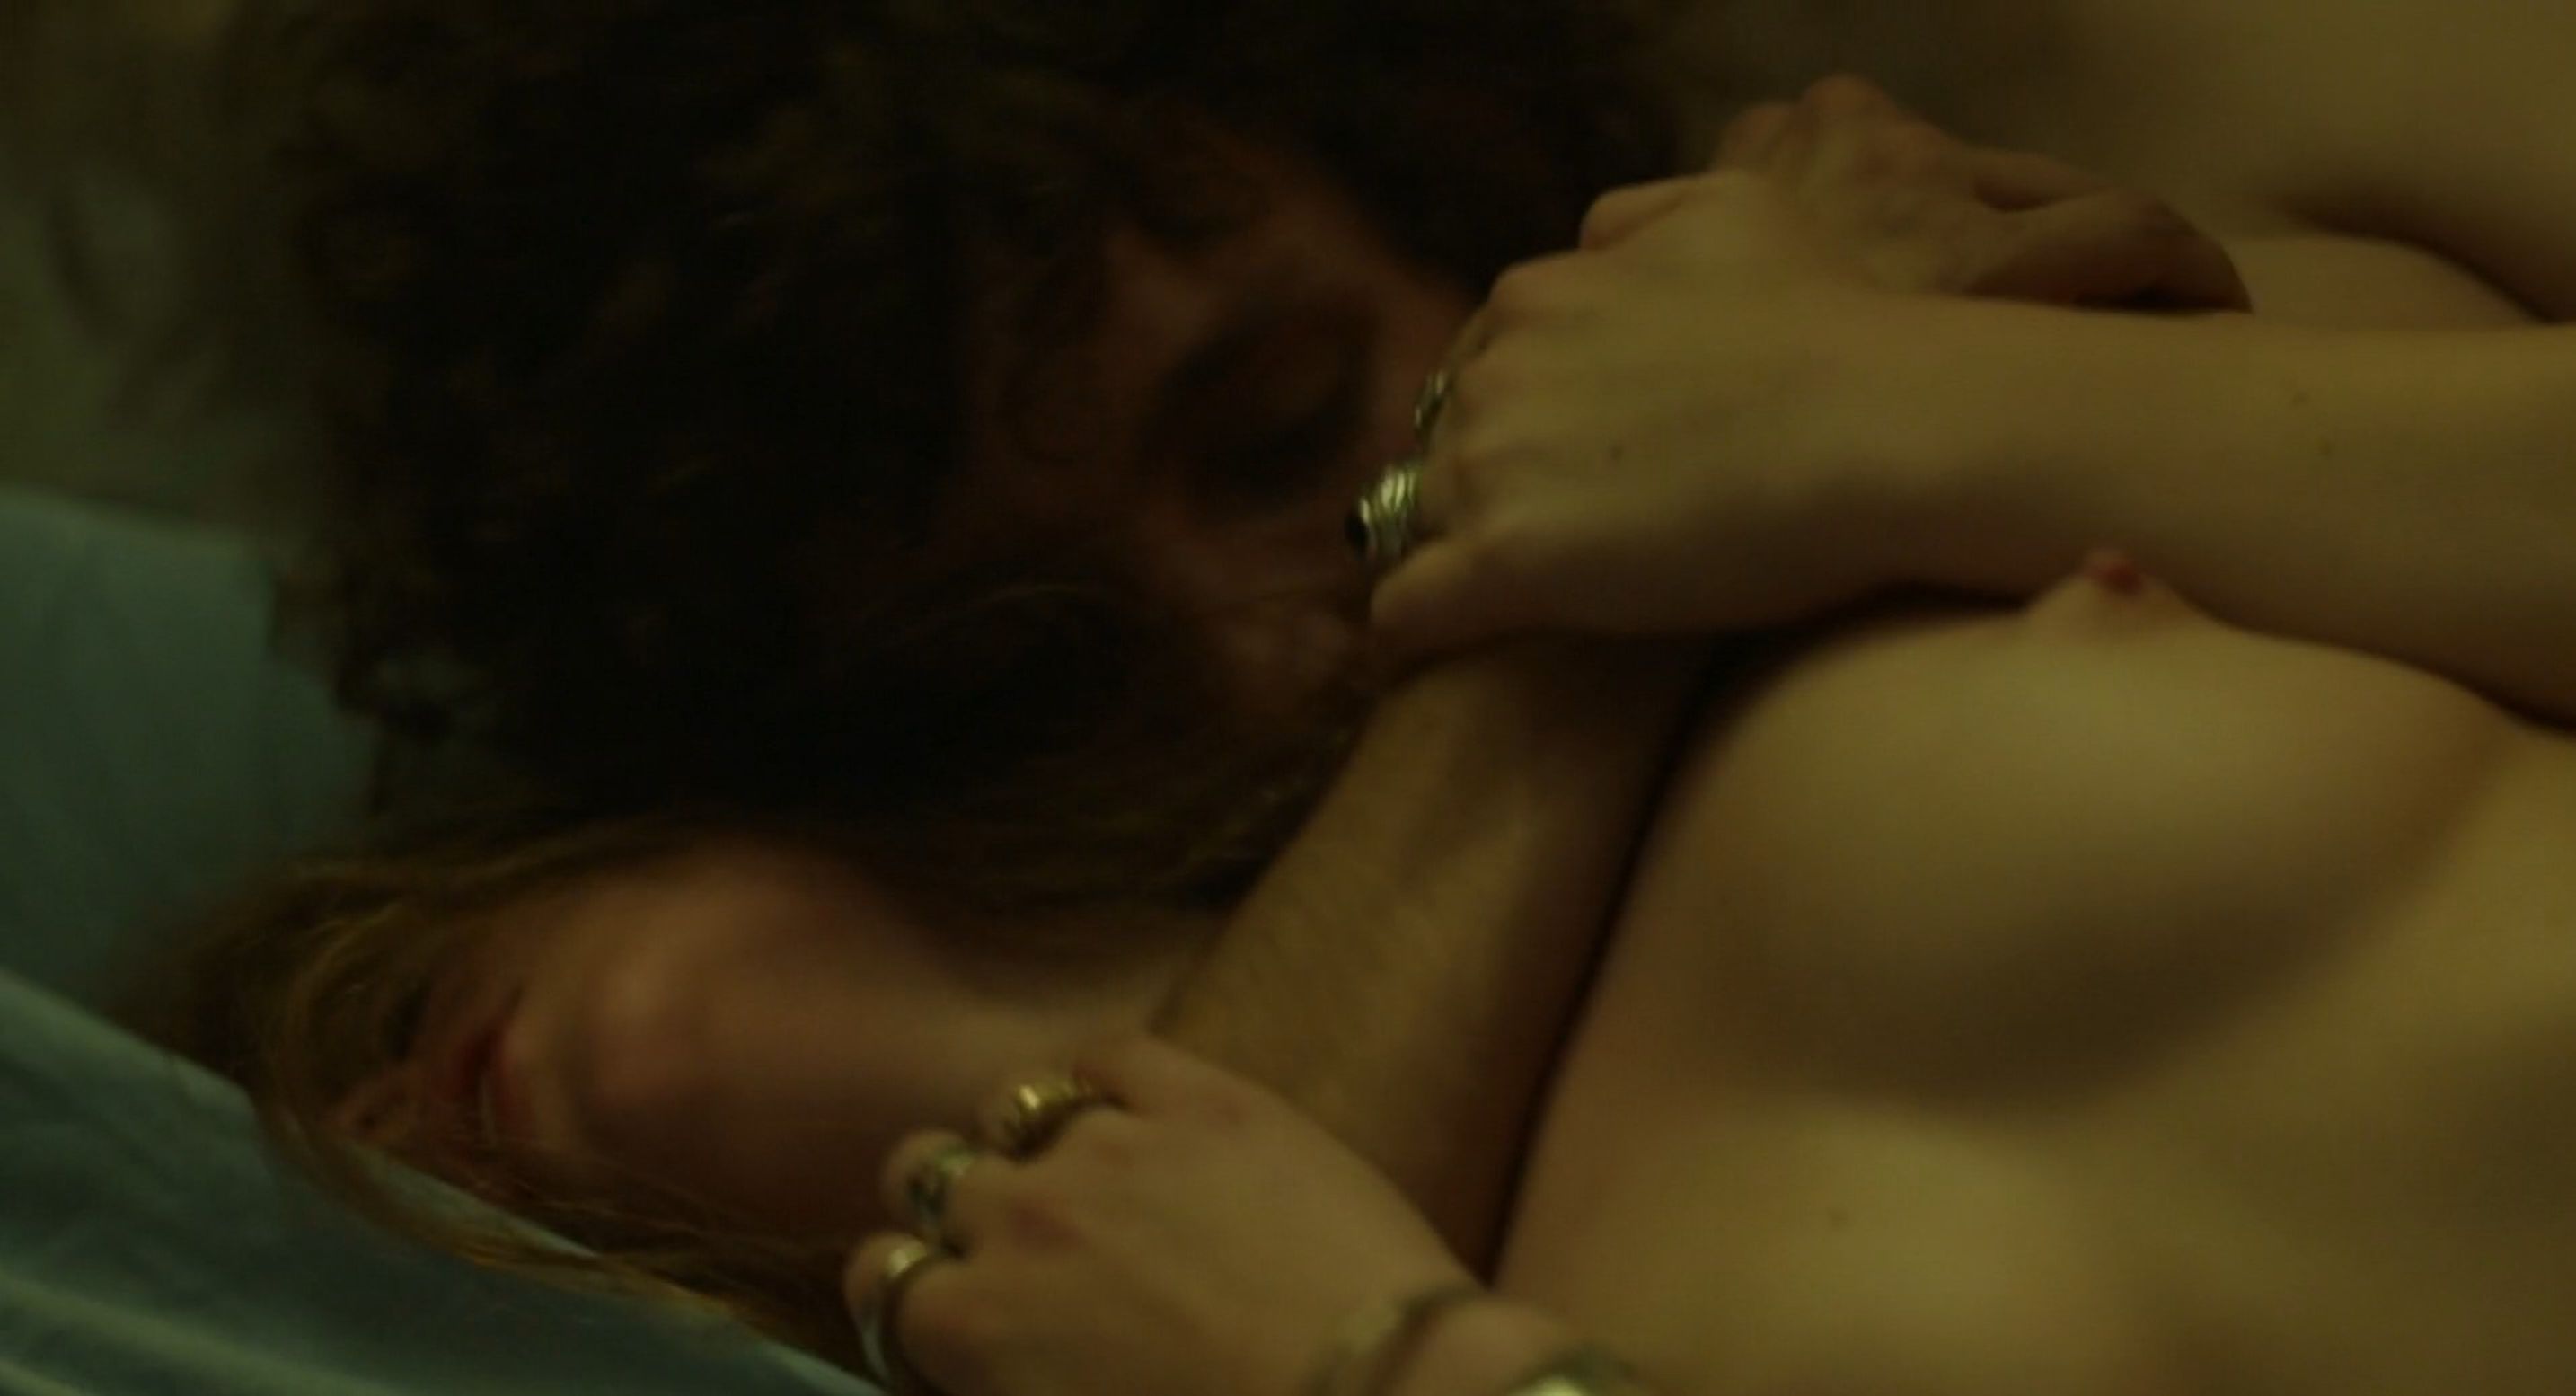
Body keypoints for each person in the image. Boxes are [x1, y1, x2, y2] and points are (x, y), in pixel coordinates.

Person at [146, 0, 2576, 1389]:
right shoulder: (1206, 1257)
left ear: (1445, 145)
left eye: (1286, 425)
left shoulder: (2070, 168)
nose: (1268, 633)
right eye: (1038, 672)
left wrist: (1899, 416)